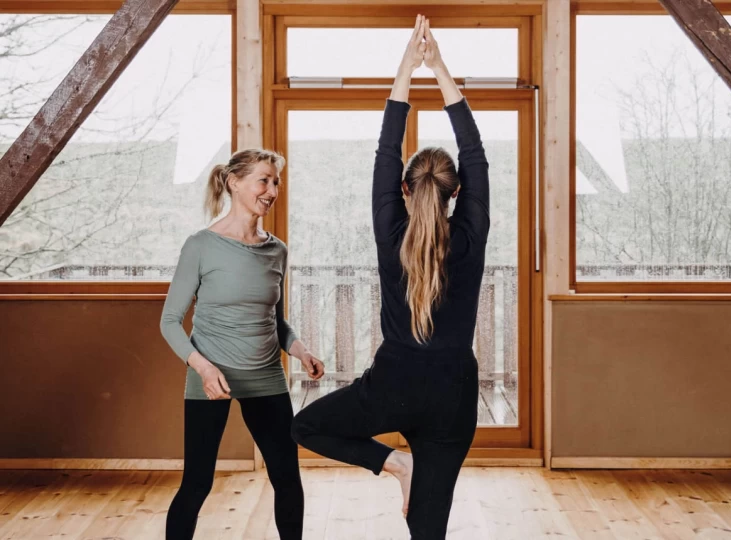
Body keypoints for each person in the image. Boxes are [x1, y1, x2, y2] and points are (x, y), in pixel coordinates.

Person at [291, 15, 489, 539]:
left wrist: (407, 67)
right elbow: (476, 155)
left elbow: (386, 150)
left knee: (304, 426)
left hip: (394, 384)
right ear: (456, 194)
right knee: (428, 532)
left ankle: (394, 465)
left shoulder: (390, 232)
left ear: (404, 190)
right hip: (453, 393)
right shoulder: (469, 235)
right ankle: (405, 472)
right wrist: (439, 67)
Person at [160, 149, 325, 540]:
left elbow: (275, 318)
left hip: (266, 378)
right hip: (210, 377)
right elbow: (169, 322)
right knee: (197, 483)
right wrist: (202, 367)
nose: (272, 190)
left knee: (287, 478)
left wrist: (299, 350)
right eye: (263, 180)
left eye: (276, 182)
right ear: (235, 183)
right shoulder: (201, 246)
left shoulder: (277, 250)